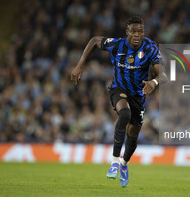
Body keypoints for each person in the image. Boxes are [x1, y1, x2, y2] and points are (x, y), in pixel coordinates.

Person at [70, 14, 167, 187]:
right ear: (127, 32)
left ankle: (124, 164)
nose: (137, 35)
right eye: (134, 31)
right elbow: (94, 40)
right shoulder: (117, 44)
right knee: (124, 114)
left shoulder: (150, 48)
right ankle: (114, 161)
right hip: (119, 89)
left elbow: (164, 74)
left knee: (134, 134)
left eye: (141, 31)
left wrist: (154, 81)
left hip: (138, 94)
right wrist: (80, 64)